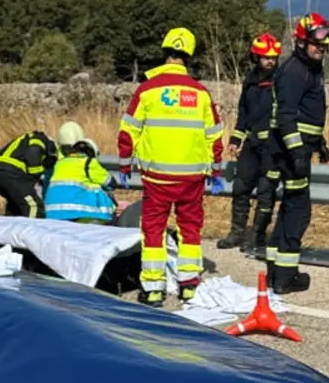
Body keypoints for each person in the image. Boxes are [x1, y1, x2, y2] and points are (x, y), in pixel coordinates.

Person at [117, 27, 225, 307]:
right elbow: (214, 135)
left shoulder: (147, 90)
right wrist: (215, 170)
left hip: (158, 178)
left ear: (164, 53)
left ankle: (153, 288)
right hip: (192, 178)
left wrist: (125, 165)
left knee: (153, 229)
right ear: (188, 57)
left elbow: (128, 131)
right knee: (190, 229)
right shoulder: (200, 94)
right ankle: (188, 285)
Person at [266, 13, 329, 295]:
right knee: (298, 212)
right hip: (290, 152)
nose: (322, 49)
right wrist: (296, 151)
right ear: (301, 42)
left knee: (290, 209)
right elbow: (285, 116)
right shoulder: (296, 71)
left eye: (325, 46)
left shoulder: (309, 69)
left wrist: (320, 143)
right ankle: (285, 277)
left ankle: (276, 271)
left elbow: (308, 114)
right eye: (317, 44)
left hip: (299, 149)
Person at [218, 32, 282, 254]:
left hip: (272, 148)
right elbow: (244, 113)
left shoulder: (281, 81)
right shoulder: (250, 81)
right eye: (266, 57)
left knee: (265, 193)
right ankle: (236, 233)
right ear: (256, 57)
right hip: (252, 146)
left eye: (273, 57)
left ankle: (257, 237)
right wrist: (236, 139)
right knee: (240, 188)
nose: (270, 61)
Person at [43, 122, 117, 223]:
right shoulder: (88, 162)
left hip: (52, 213)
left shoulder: (58, 163)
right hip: (78, 213)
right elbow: (110, 183)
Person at [0, 131, 58, 218]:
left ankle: (11, 229)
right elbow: (33, 152)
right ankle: (33, 230)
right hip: (9, 170)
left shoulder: (24, 141)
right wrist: (37, 175)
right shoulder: (41, 139)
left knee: (16, 205)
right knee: (34, 206)